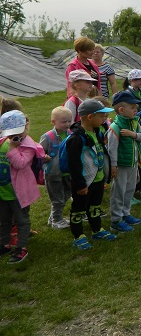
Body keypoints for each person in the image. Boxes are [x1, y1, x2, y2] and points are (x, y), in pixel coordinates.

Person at [67, 99, 117, 250]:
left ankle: (97, 230)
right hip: (84, 182)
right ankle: (78, 236)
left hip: (98, 179)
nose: (105, 119)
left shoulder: (97, 131)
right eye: (101, 116)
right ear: (90, 117)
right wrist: (80, 185)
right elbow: (74, 165)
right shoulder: (77, 138)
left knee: (95, 206)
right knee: (78, 209)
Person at [0, 110, 43, 263]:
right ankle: (4, 244)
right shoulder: (3, 141)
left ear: (26, 126)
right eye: (10, 133)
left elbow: (20, 163)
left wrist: (12, 148)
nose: (13, 136)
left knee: (22, 221)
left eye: (17, 132)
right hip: (4, 191)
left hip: (19, 193)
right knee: (4, 220)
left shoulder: (28, 145)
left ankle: (21, 247)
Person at [107, 90, 141, 233]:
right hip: (121, 166)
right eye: (133, 108)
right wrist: (113, 166)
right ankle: (116, 220)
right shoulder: (115, 127)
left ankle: (126, 213)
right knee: (119, 191)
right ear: (122, 110)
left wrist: (133, 135)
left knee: (130, 189)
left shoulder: (134, 124)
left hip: (133, 163)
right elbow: (112, 149)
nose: (136, 110)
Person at [40, 106, 73, 229]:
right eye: (64, 121)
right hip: (53, 173)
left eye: (69, 121)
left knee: (66, 195)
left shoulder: (71, 134)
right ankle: (57, 221)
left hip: (67, 172)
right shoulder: (48, 137)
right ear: (53, 122)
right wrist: (44, 156)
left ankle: (54, 217)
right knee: (57, 199)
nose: (67, 124)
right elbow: (39, 152)